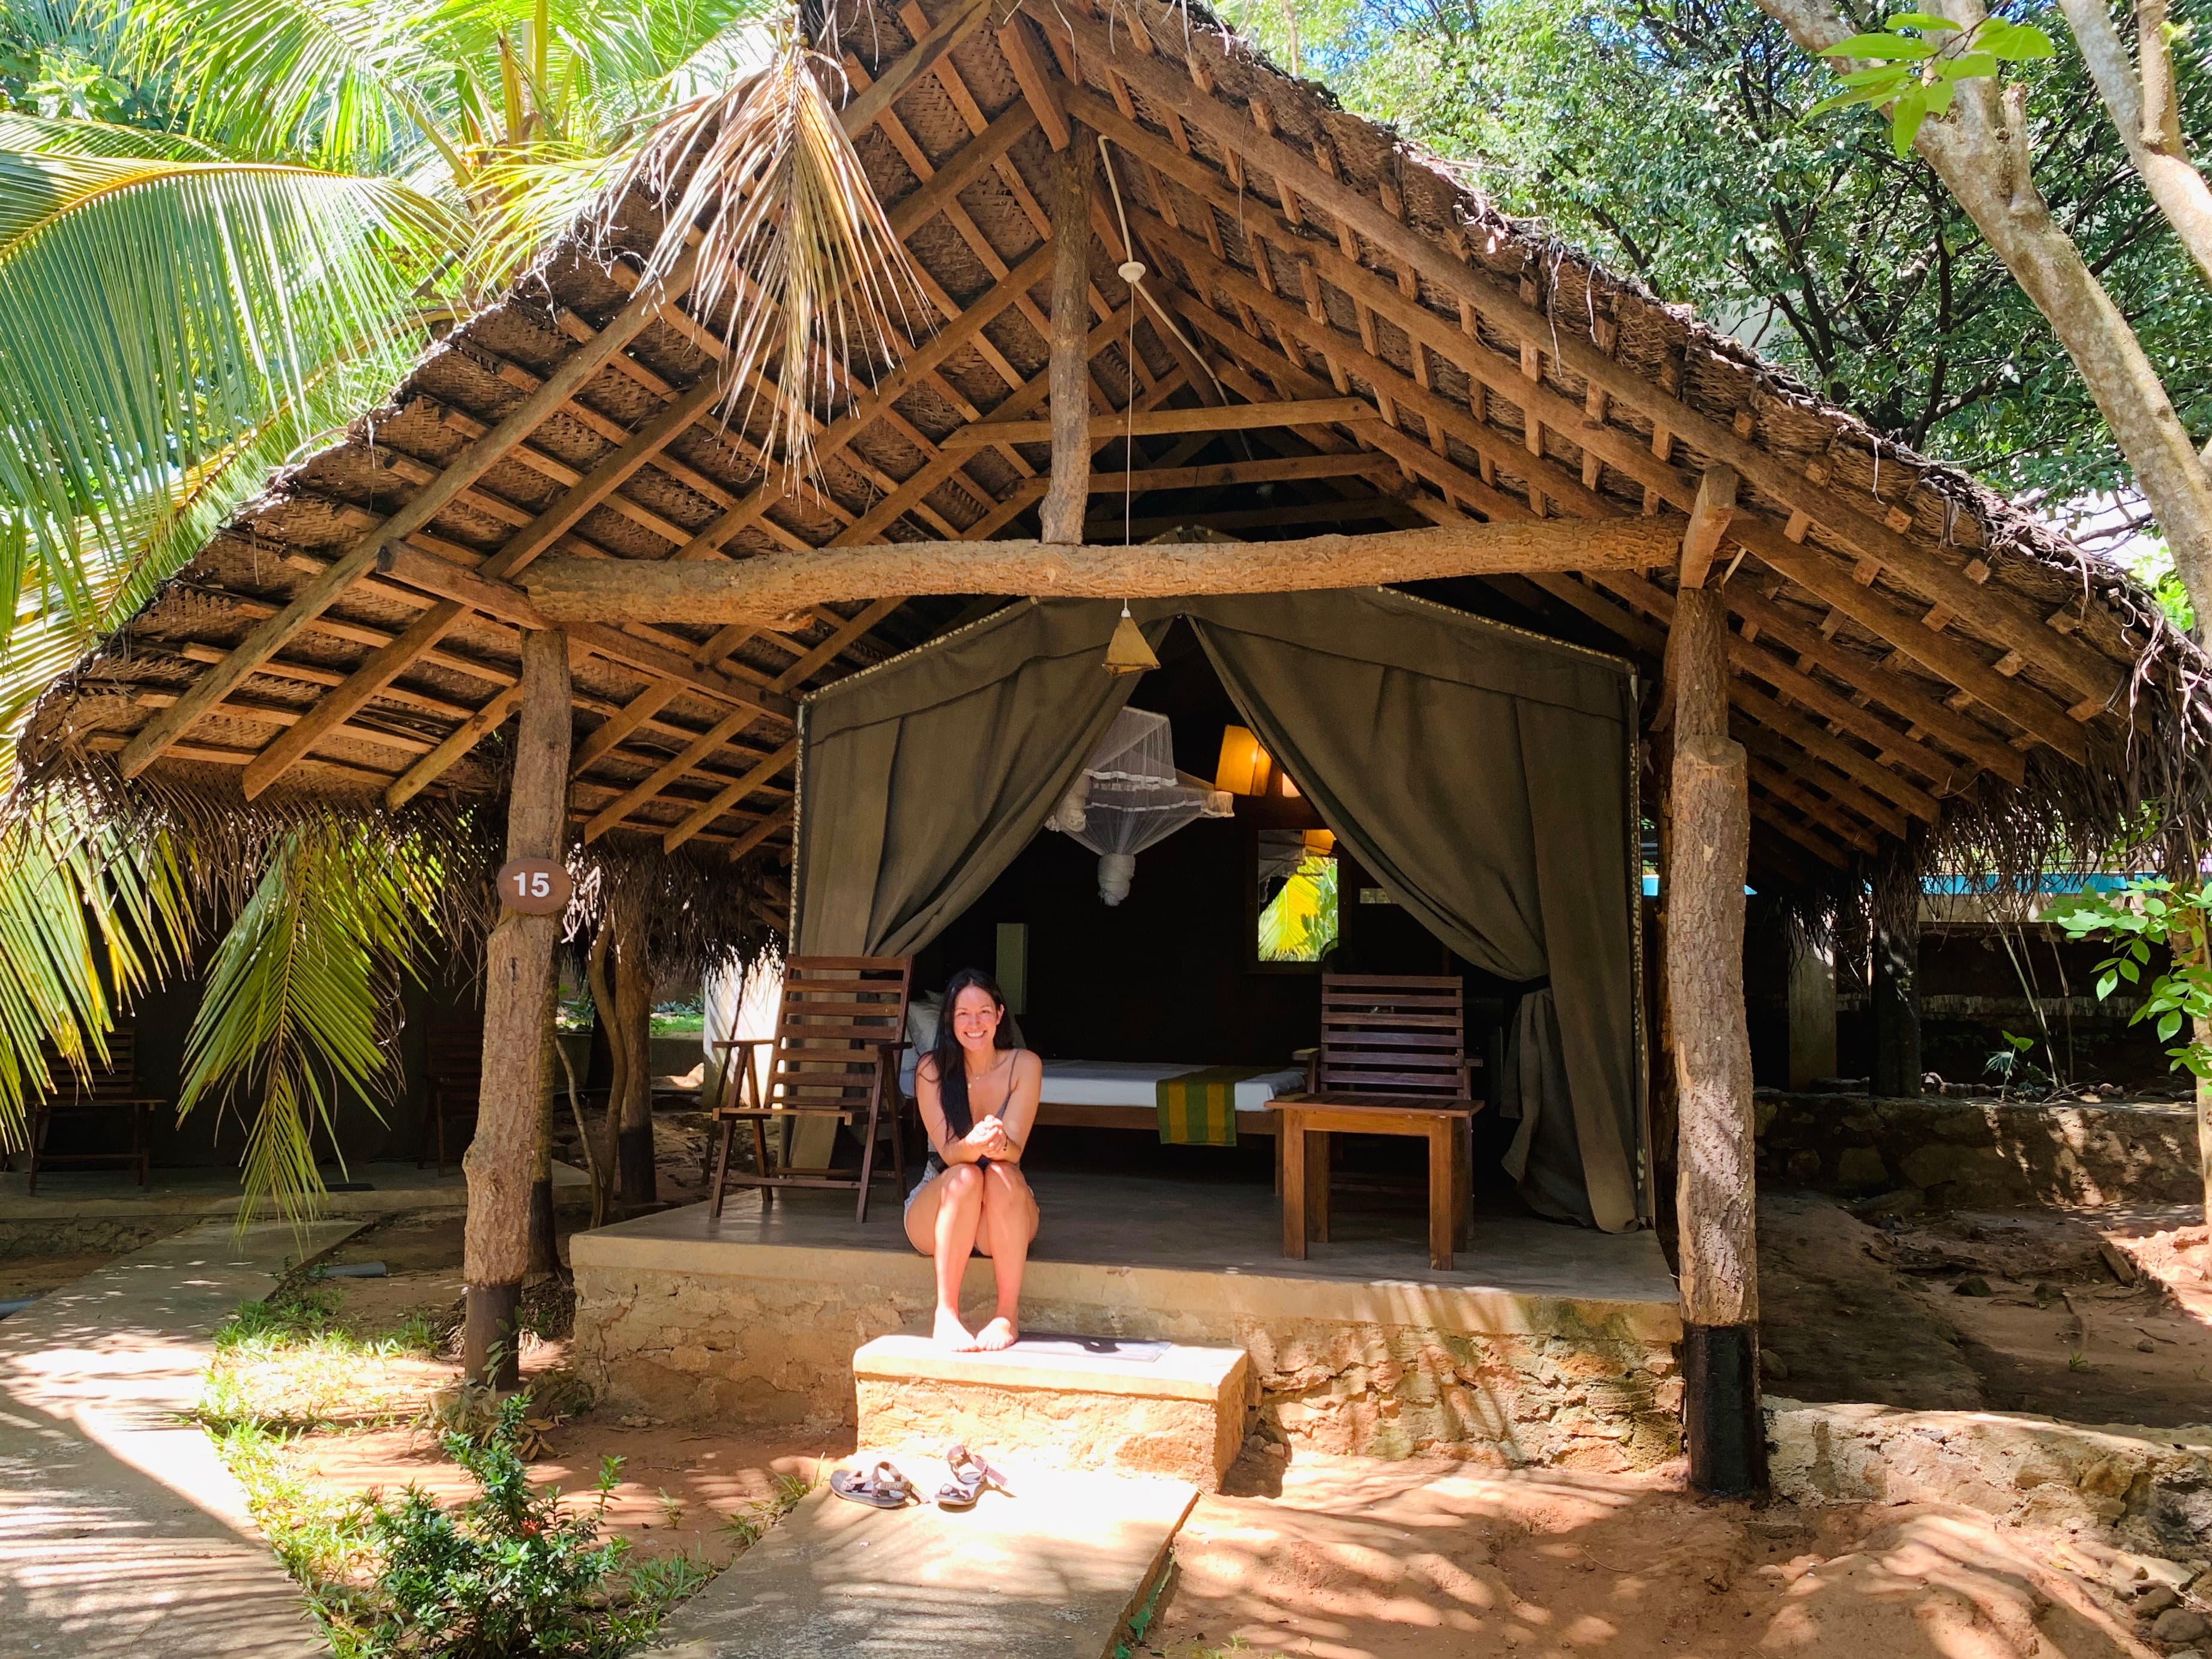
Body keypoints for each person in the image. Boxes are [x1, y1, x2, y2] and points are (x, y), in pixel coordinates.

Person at [903, 968, 1041, 1351]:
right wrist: (975, 1144)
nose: (974, 1023)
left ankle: (1006, 1315)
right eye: (964, 1013)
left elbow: (1013, 1150)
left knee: (999, 1173)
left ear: (1000, 1016)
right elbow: (949, 1153)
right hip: (942, 1207)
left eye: (984, 1012)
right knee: (965, 1176)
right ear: (950, 1020)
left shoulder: (1024, 1065)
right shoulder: (932, 1070)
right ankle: (946, 1315)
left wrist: (996, 1143)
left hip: (999, 1213)